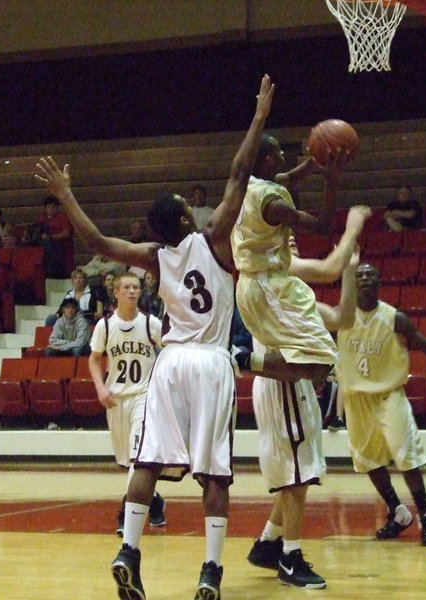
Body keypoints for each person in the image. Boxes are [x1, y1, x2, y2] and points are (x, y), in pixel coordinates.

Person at [35, 73, 275, 600]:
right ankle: (210, 571)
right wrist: (258, 117)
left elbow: (95, 239)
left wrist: (66, 194)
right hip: (211, 363)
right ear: (188, 216)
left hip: (168, 365)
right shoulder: (215, 242)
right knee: (215, 473)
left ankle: (129, 550)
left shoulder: (153, 257)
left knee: (146, 462)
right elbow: (239, 173)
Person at [336, 263, 426, 547]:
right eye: (359, 275)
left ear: (379, 281)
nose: (364, 278)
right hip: (356, 399)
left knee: (407, 458)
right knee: (368, 462)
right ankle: (398, 512)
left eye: (370, 275)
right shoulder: (341, 317)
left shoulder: (394, 317)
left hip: (389, 395)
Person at [246, 241, 362, 589]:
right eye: (286, 239)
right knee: (295, 474)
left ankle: (269, 543)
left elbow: (344, 318)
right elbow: (317, 269)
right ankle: (290, 557)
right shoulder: (266, 282)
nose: (293, 243)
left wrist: (351, 270)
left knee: (299, 468)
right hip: (282, 378)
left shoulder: (294, 293)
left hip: (295, 383)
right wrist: (340, 253)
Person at [231, 128, 360, 385]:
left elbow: (288, 179)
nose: (283, 155)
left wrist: (316, 161)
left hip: (252, 285)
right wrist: (332, 181)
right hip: (267, 285)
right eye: (279, 151)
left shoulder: (247, 185)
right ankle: (240, 360)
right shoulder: (273, 204)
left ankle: (244, 360)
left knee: (319, 366)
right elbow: (323, 227)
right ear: (267, 160)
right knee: (320, 362)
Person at [87, 271, 165, 536]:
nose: (132, 291)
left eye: (136, 287)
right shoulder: (105, 326)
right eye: (127, 287)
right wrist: (100, 387)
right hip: (116, 398)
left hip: (144, 396)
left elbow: (168, 352)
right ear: (116, 292)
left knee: (136, 458)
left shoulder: (151, 324)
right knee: (126, 460)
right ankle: (154, 500)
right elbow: (94, 359)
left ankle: (126, 511)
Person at [37, 195, 75, 278]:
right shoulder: (42, 219)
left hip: (60, 245)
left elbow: (66, 233)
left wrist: (51, 237)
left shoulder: (62, 217)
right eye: (49, 207)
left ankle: (50, 269)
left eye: (53, 207)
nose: (51, 209)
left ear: (57, 208)